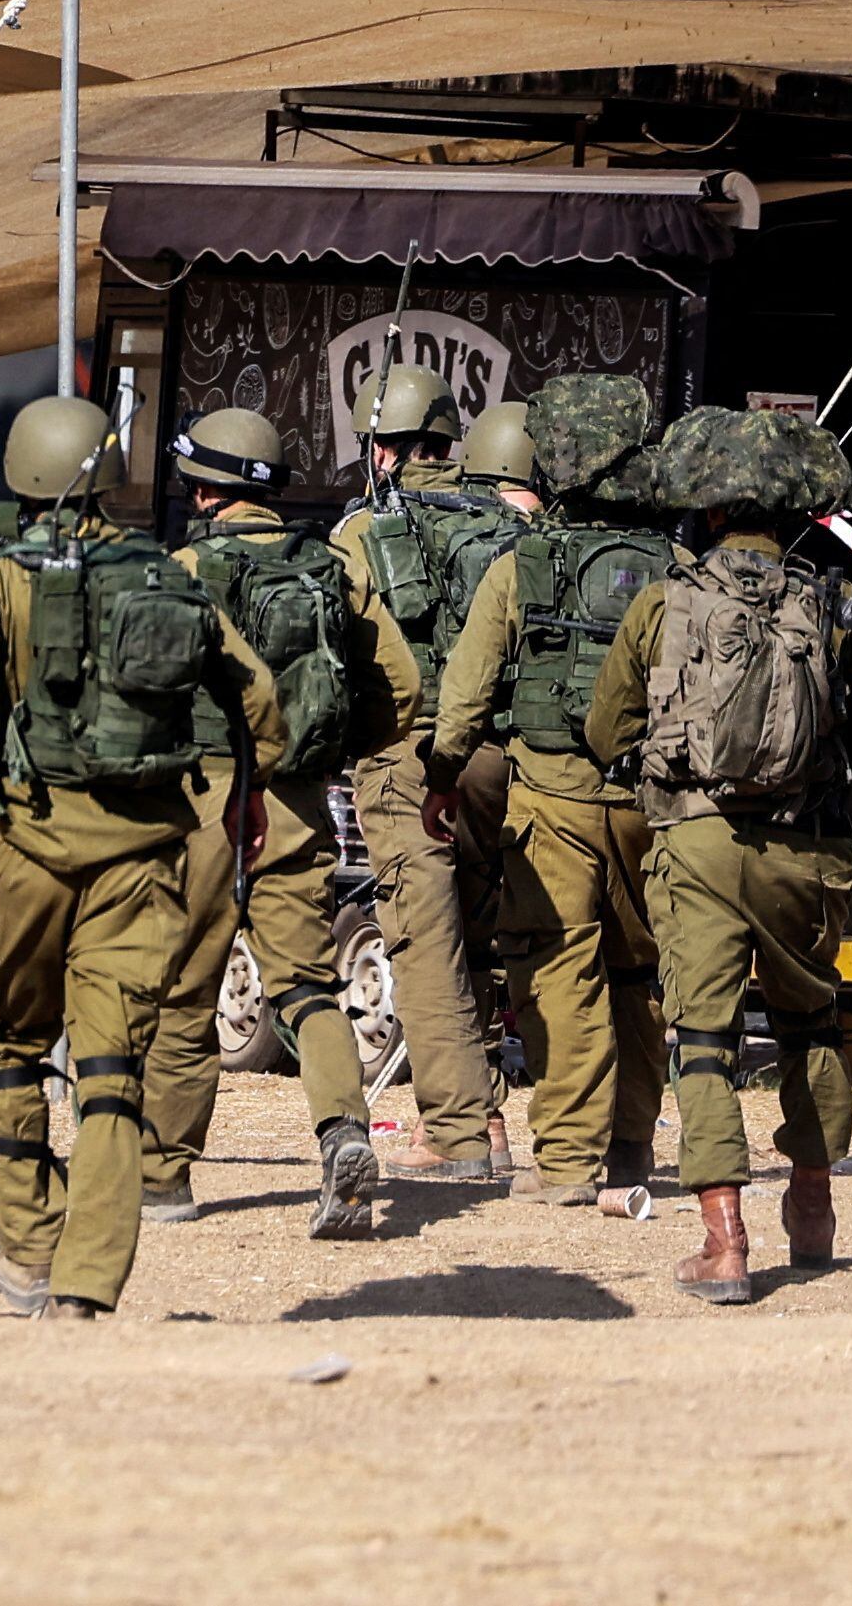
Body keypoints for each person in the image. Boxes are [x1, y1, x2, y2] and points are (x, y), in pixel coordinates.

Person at [0, 394, 292, 1319]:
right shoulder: (168, 576)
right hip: (144, 860)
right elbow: (263, 709)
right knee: (111, 1068)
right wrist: (244, 790)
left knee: (7, 1048)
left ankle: (27, 1248)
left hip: (25, 846)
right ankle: (89, 1282)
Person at [589, 407, 852, 1301]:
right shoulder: (836, 602)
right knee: (811, 1023)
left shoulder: (664, 600)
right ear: (791, 514)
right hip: (809, 853)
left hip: (699, 845)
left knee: (702, 1036)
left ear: (705, 510)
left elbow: (604, 727)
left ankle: (724, 1243)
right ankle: (811, 1214)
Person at [141, 406, 386, 1240]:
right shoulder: (331, 569)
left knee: (187, 983)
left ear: (206, 488)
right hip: (298, 796)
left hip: (205, 798)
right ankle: (345, 1131)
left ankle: (163, 1175)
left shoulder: (179, 568)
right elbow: (399, 687)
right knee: (308, 984)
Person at [433, 373, 676, 1210]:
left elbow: (465, 693)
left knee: (555, 970)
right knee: (638, 976)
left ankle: (569, 1164)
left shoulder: (523, 562)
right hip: (651, 805)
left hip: (552, 800)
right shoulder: (675, 566)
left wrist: (443, 774)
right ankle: (632, 1149)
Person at [328, 373, 524, 1186]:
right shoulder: (504, 521)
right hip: (500, 754)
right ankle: (486, 1112)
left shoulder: (362, 529)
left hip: (411, 755)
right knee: (478, 937)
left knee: (425, 938)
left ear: (382, 446)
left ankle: (454, 1133)